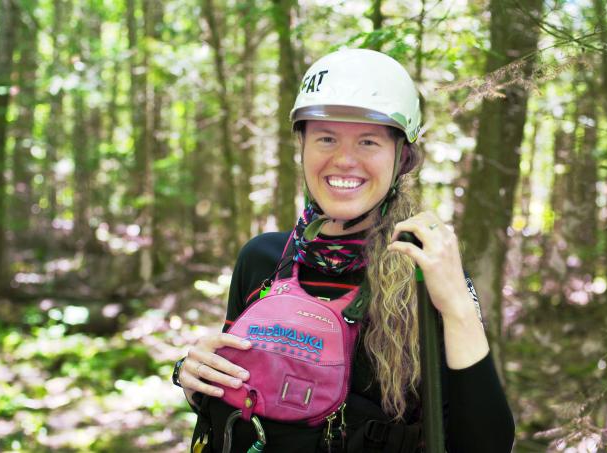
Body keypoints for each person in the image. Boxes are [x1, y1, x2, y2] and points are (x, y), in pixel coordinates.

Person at [172, 48, 515, 452]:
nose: (344, 160)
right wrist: (195, 379)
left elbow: (488, 443)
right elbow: (236, 397)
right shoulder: (263, 259)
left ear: (401, 157)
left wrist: (457, 303)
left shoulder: (426, 271)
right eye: (326, 138)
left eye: (368, 141)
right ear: (302, 146)